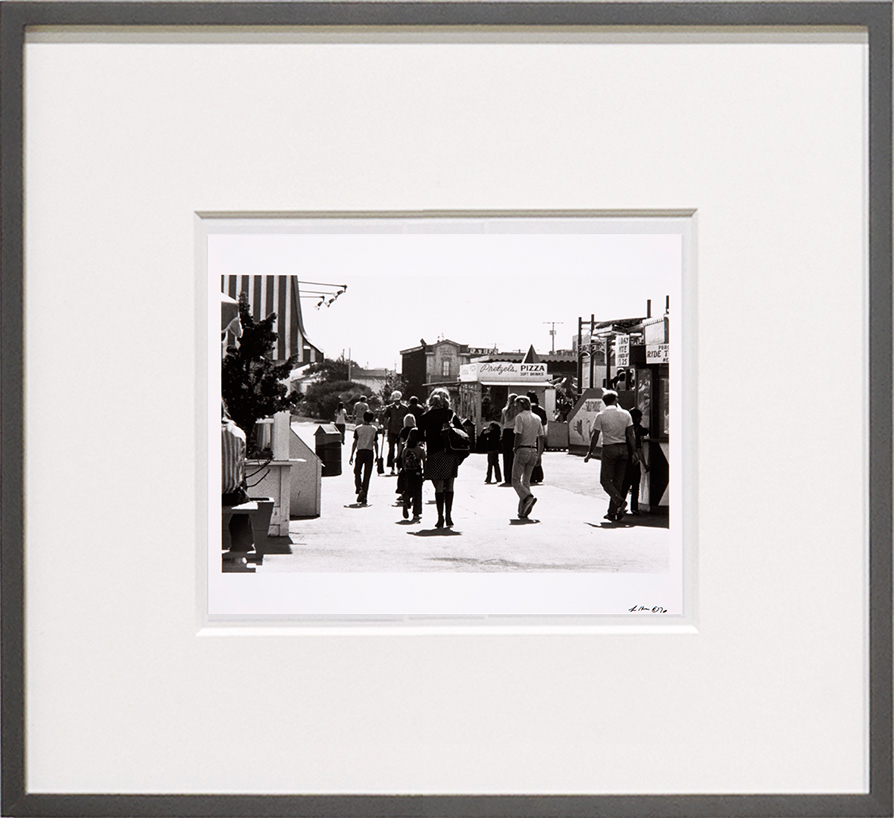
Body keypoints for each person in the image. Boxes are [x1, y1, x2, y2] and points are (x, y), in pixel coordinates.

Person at [583, 390, 635, 522]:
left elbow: (595, 435)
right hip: (623, 449)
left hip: (609, 448)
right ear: (616, 400)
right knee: (618, 482)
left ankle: (619, 501)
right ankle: (612, 512)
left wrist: (590, 452)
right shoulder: (626, 414)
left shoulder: (601, 415)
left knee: (605, 481)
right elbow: (630, 435)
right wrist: (634, 452)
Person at [419, 387, 466, 528]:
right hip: (450, 453)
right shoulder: (450, 414)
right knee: (450, 485)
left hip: (434, 453)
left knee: (438, 487)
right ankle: (449, 517)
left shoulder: (425, 417)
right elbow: (462, 432)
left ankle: (440, 518)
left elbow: (421, 436)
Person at [512, 395, 546, 519]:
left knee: (515, 480)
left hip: (523, 449)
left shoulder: (520, 417)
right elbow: (541, 437)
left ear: (521, 405)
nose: (515, 407)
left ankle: (527, 497)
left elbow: (518, 435)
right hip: (534, 450)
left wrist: (515, 448)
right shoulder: (537, 418)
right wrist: (540, 454)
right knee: (526, 481)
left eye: (516, 405)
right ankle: (522, 511)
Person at [620, 407, 650, 514]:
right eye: (639, 418)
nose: (640, 419)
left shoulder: (625, 428)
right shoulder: (637, 430)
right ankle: (634, 508)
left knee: (625, 484)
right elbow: (639, 448)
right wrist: (644, 464)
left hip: (625, 459)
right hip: (634, 460)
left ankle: (620, 505)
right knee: (635, 484)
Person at [348, 410, 378, 506]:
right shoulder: (374, 429)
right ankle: (365, 496)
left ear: (363, 418)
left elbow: (355, 442)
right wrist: (377, 455)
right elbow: (375, 443)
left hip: (360, 452)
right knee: (367, 475)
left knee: (357, 471)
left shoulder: (358, 428)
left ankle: (359, 487)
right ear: (372, 419)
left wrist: (351, 455)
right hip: (369, 452)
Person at [399, 427, 426, 522]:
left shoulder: (406, 449)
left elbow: (402, 461)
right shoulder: (420, 449)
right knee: (418, 492)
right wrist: (425, 473)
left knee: (408, 488)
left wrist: (405, 469)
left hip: (408, 472)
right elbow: (424, 461)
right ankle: (416, 513)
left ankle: (406, 499)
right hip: (417, 472)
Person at [382, 390, 408, 475]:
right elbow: (386, 418)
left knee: (400, 449)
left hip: (401, 431)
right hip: (392, 431)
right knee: (391, 449)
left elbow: (407, 418)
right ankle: (392, 467)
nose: (396, 401)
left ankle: (399, 467)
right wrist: (384, 428)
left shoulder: (404, 408)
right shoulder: (390, 408)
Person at [527, 391, 548, 484]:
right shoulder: (541, 410)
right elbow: (545, 423)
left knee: (530, 455)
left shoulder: (528, 411)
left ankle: (532, 475)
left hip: (529, 434)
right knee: (538, 455)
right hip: (539, 433)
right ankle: (539, 475)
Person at [500, 393, 520, 487]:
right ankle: (513, 477)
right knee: (514, 456)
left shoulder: (504, 410)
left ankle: (506, 477)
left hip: (506, 432)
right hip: (514, 432)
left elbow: (502, 422)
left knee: (506, 456)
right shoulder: (518, 411)